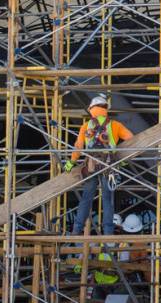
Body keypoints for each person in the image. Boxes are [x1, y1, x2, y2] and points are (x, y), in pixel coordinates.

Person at [64, 94, 135, 238]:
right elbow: (131, 139)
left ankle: (77, 229)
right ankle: (108, 232)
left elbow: (78, 146)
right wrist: (122, 160)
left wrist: (71, 162)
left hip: (90, 166)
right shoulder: (115, 125)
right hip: (109, 166)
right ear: (105, 109)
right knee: (108, 200)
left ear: (92, 109)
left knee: (86, 198)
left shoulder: (86, 126)